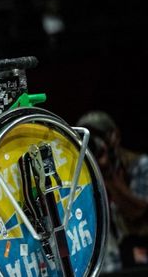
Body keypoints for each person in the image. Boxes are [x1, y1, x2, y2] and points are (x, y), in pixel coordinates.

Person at [77, 110, 148, 272]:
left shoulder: (138, 165)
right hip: (106, 267)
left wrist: (107, 175)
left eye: (98, 136)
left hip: (137, 264)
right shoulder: (84, 176)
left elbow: (137, 210)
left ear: (114, 136)